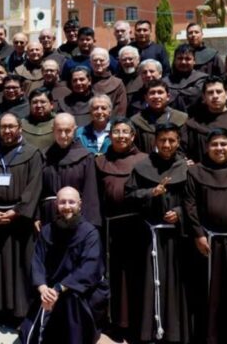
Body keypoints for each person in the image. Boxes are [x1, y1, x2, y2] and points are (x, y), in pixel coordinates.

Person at [183, 129, 227, 344]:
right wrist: (198, 234)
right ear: (207, 148)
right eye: (214, 144)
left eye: (224, 144)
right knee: (210, 292)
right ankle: (211, 336)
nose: (219, 149)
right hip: (209, 242)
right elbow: (189, 204)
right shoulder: (196, 172)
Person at [0, 113, 43, 324]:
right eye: (3, 127)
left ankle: (21, 314)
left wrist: (16, 211)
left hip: (20, 220)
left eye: (11, 126)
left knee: (22, 267)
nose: (7, 131)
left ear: (20, 128)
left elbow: (35, 186)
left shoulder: (32, 154)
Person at [125, 123, 190, 343]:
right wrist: (151, 192)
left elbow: (194, 200)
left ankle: (174, 333)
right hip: (148, 237)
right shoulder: (143, 166)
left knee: (175, 284)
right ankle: (148, 332)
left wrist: (180, 213)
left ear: (178, 142)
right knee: (148, 283)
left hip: (176, 238)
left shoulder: (185, 167)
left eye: (172, 140)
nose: (167, 145)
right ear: (155, 141)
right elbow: (129, 195)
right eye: (162, 140)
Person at [19, 187, 109, 344]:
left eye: (71, 202)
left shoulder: (90, 233)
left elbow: (89, 269)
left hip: (80, 291)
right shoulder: (47, 231)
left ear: (80, 204)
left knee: (70, 306)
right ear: (56, 205)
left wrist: (60, 288)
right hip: (51, 290)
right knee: (30, 336)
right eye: (62, 202)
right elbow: (37, 261)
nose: (67, 206)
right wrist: (43, 288)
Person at [95, 118, 148, 342]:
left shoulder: (144, 160)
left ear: (133, 136)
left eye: (126, 132)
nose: (121, 136)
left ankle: (137, 325)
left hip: (136, 226)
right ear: (110, 136)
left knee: (136, 275)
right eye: (116, 132)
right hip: (110, 227)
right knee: (114, 276)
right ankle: (115, 322)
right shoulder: (100, 161)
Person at [40, 113, 101, 229]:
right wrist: (36, 216)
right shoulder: (44, 156)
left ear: (75, 130)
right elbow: (38, 191)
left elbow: (90, 193)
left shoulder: (86, 157)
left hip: (76, 218)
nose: (63, 135)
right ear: (53, 130)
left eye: (67, 131)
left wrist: (88, 224)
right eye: (59, 130)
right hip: (48, 217)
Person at [130, 79, 188, 154]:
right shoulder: (137, 120)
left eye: (160, 92)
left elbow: (185, 146)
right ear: (146, 98)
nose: (156, 96)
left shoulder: (180, 118)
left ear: (168, 96)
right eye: (152, 93)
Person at [164, 44, 208, 113]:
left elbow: (196, 95)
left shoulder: (203, 79)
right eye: (180, 58)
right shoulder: (165, 81)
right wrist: (188, 90)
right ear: (174, 60)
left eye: (188, 59)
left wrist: (173, 93)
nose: (183, 62)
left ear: (194, 61)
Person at [90, 47, 127, 118]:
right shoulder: (85, 82)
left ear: (108, 63)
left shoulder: (117, 83)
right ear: (91, 63)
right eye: (95, 60)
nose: (98, 63)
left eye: (101, 60)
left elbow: (121, 109)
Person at [20, 87, 56, 152]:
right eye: (34, 102)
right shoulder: (20, 125)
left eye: (43, 102)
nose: (38, 105)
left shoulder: (60, 123)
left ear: (51, 104)